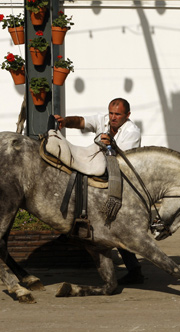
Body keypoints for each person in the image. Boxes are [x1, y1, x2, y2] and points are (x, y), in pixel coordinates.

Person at [55, 98, 144, 285]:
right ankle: (133, 269)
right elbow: (81, 121)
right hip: (99, 171)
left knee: (115, 225)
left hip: (119, 180)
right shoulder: (103, 120)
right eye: (111, 113)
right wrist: (64, 122)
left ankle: (132, 270)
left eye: (117, 114)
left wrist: (110, 143)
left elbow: (120, 161)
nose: (113, 117)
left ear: (127, 115)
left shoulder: (132, 132)